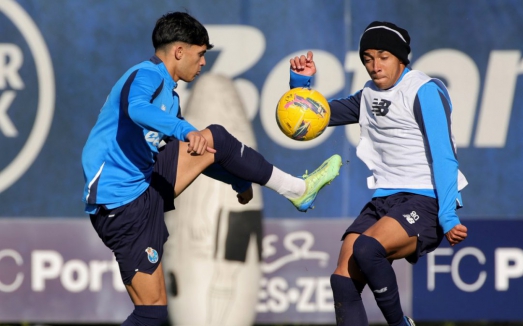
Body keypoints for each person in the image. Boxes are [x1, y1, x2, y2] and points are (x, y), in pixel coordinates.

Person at [81, 12, 342, 326]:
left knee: (216, 139)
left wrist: (237, 181)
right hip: (122, 205)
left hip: (145, 182)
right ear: (179, 51)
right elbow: (137, 109)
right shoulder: (146, 75)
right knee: (151, 313)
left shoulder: (170, 97)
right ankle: (297, 190)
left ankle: (297, 190)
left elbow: (197, 156)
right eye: (200, 54)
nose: (203, 63)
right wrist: (185, 130)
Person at [289, 21, 468, 326]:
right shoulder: (368, 94)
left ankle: (400, 324)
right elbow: (318, 117)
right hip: (385, 199)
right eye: (368, 58)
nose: (374, 65)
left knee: (366, 248)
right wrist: (301, 86)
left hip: (427, 201)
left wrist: (448, 216)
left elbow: (445, 158)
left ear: (401, 58)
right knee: (342, 279)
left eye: (383, 56)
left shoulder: (423, 91)